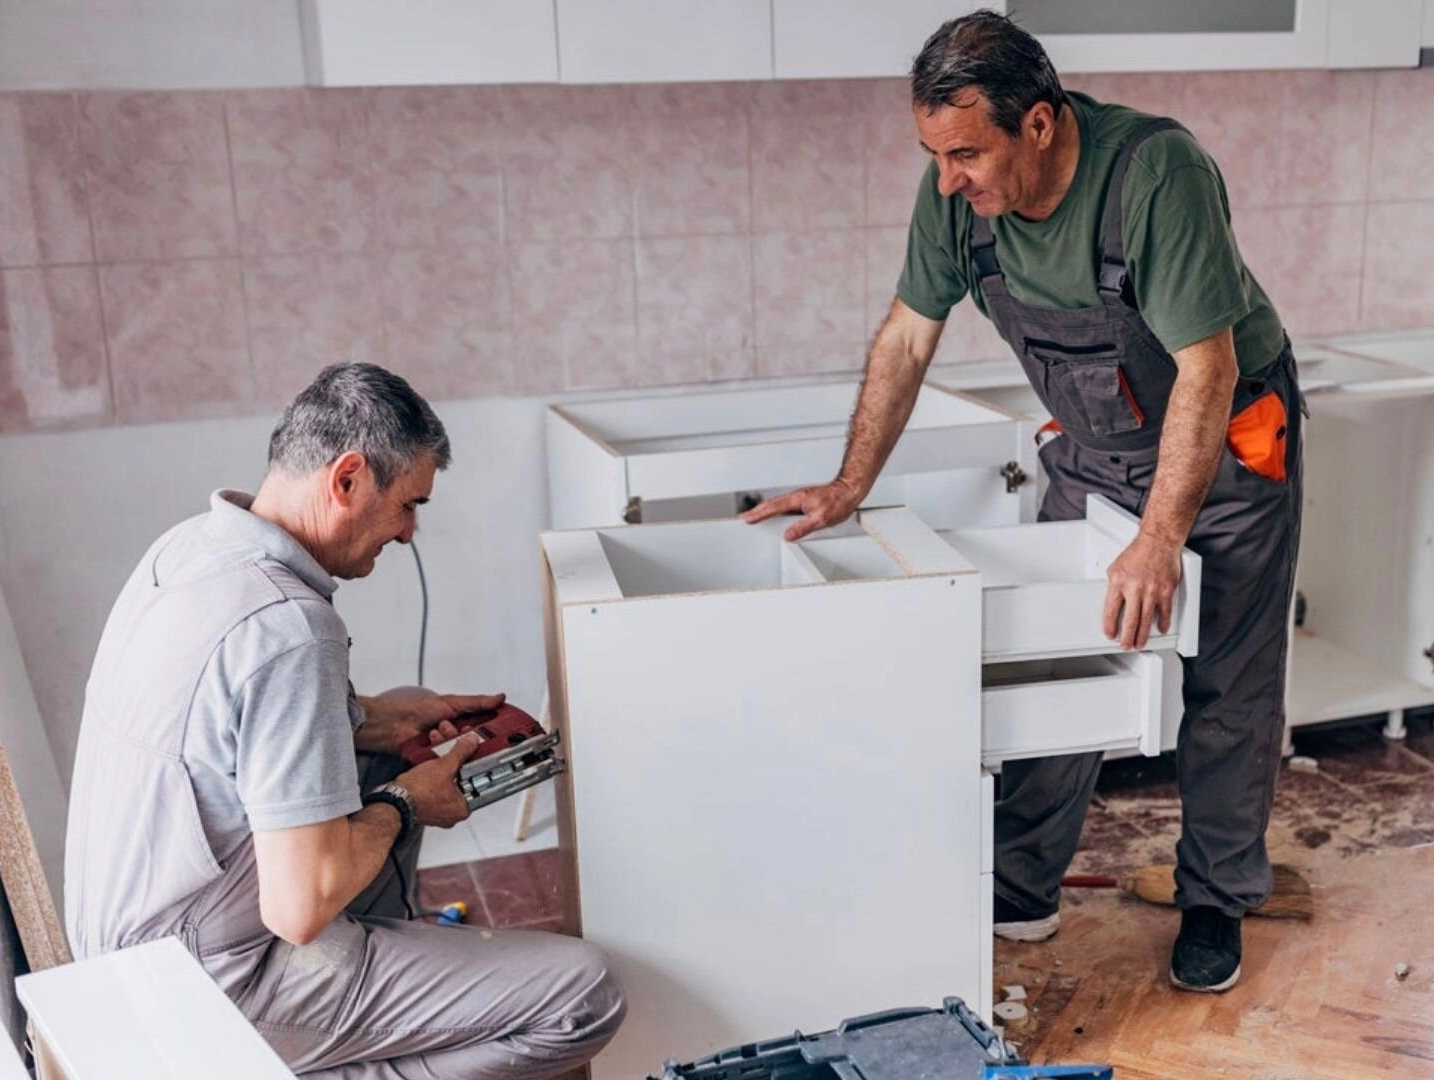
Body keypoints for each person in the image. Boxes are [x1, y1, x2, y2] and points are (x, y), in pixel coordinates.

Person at [745, 12, 1303, 993]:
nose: (948, 176)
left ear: (1038, 126)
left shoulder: (1154, 176)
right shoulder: (957, 197)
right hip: (1095, 455)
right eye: (934, 153)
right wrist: (850, 484)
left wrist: (1161, 539)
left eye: (966, 153)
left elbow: (1206, 371)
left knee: (1227, 686)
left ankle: (1216, 897)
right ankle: (1021, 885)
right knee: (1055, 661)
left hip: (1225, 452)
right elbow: (907, 337)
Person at [63, 362, 623, 1076]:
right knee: (585, 996)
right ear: (348, 479)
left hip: (124, 943)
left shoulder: (189, 550)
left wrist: (378, 719)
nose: (411, 532)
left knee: (383, 759)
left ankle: (377, 987)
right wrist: (406, 802)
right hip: (202, 987)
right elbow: (300, 909)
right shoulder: (290, 627)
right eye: (409, 505)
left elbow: (226, 734)